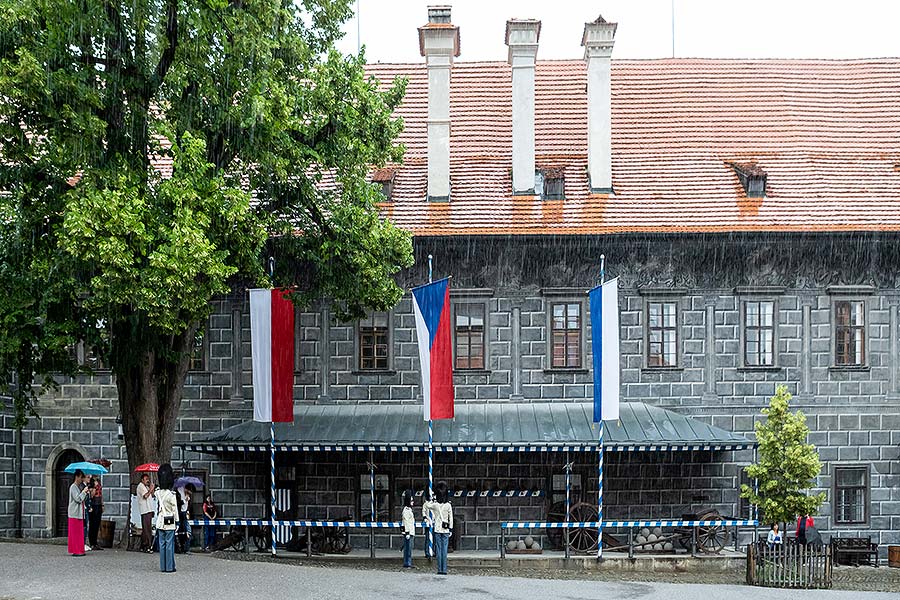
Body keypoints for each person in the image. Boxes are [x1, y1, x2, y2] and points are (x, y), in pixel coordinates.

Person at [422, 481, 453, 575]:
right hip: (446, 529)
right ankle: (444, 569)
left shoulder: (435, 505)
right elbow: (450, 518)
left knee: (439, 550)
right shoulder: (448, 505)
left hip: (438, 529)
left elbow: (427, 505)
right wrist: (450, 528)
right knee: (444, 550)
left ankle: (440, 569)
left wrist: (431, 498)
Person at [154, 463, 179, 573]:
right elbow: (175, 510)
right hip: (169, 520)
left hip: (160, 520)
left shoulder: (158, 493)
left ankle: (163, 566)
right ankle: (169, 567)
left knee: (162, 544)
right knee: (169, 544)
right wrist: (177, 522)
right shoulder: (171, 495)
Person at [67, 470, 90, 557]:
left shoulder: (77, 487)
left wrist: (84, 493)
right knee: (75, 533)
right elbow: (77, 499)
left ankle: (79, 549)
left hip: (78, 513)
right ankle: (76, 550)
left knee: (78, 533)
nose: (82, 479)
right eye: (81, 477)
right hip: (74, 513)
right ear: (77, 477)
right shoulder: (73, 487)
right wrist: (84, 492)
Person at [136, 472, 156, 553]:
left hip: (149, 509)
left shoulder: (146, 487)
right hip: (145, 510)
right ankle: (148, 545)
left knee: (146, 529)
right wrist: (150, 490)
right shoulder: (141, 486)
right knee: (147, 529)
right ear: (142, 480)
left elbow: (152, 495)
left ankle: (143, 545)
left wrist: (151, 489)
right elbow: (145, 496)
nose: (148, 480)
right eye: (146, 479)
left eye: (148, 479)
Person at [87, 476, 104, 550]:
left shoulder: (99, 481)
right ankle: (92, 542)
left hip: (99, 504)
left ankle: (95, 542)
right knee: (92, 524)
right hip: (93, 505)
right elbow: (91, 495)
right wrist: (94, 487)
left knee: (97, 523)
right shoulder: (90, 483)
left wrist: (102, 504)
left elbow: (101, 494)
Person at [400, 490, 416, 568]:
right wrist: (407, 532)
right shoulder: (406, 510)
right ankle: (407, 562)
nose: (413, 502)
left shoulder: (409, 510)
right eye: (411, 501)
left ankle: (408, 562)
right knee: (408, 549)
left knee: (409, 548)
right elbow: (406, 522)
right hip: (408, 532)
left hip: (410, 532)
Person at [176, 484, 193, 553]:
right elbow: (177, 503)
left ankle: (186, 548)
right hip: (180, 513)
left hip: (185, 513)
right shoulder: (179, 493)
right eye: (188, 492)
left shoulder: (187, 496)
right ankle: (180, 548)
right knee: (179, 531)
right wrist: (184, 501)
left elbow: (188, 506)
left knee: (187, 531)